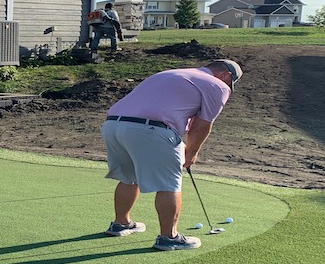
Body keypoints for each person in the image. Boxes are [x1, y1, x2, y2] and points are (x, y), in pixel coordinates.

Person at [100, 59, 243, 251]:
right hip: (151, 129)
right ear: (225, 76)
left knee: (129, 177)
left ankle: (121, 224)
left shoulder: (171, 73)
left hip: (113, 126)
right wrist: (191, 153)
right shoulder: (217, 85)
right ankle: (169, 237)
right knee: (169, 183)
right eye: (230, 83)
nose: (228, 88)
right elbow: (202, 125)